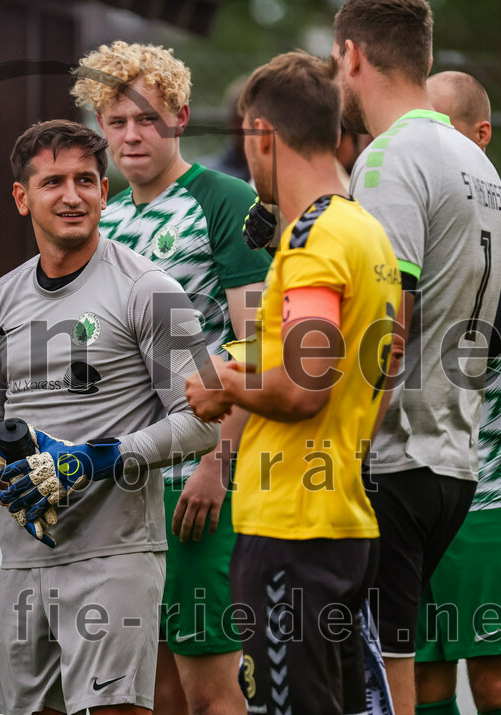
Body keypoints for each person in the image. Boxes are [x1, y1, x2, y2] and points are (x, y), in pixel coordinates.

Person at [0, 118, 219, 715]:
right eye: (53, 181)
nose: (73, 195)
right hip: (24, 559)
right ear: (21, 197)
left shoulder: (150, 289)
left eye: (87, 180)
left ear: (105, 193)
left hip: (117, 557)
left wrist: (92, 459)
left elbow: (203, 421)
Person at [185, 50, 401, 714]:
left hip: (291, 536)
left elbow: (304, 388)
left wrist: (224, 385)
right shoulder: (366, 231)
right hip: (341, 522)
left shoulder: (313, 243)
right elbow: (383, 372)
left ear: (260, 135)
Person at [70, 40, 269, 715]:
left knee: (212, 685)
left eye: (147, 119)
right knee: (148, 689)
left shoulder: (226, 200)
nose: (131, 135)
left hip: (200, 481)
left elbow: (252, 344)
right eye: (117, 121)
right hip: (124, 486)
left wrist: (220, 459)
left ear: (181, 117)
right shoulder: (106, 217)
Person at [332, 1, 501, 711]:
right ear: (426, 58)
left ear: (351, 56)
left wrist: (344, 448)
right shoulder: (476, 159)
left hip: (393, 458)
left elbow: (388, 318)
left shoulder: (390, 155)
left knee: (377, 686)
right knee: (389, 666)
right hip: (453, 461)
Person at [414, 71, 501, 715]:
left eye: (440, 131)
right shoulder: (407, 217)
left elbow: (477, 345)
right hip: (409, 485)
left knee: (496, 684)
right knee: (421, 686)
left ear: (481, 137)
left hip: (496, 485)